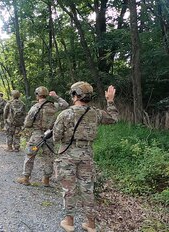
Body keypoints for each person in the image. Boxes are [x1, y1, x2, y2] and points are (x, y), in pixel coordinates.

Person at [53, 82, 118, 232]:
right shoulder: (95, 113)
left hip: (67, 155)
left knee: (68, 189)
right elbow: (114, 119)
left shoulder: (65, 114)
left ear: (75, 95)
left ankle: (69, 222)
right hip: (87, 154)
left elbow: (56, 137)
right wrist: (110, 100)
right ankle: (91, 224)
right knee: (87, 189)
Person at [17, 86, 68, 186]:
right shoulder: (54, 106)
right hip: (49, 136)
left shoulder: (35, 108)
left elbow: (27, 123)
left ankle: (26, 178)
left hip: (37, 137)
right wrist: (56, 97)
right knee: (48, 157)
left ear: (37, 95)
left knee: (30, 155)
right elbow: (65, 105)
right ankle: (46, 180)